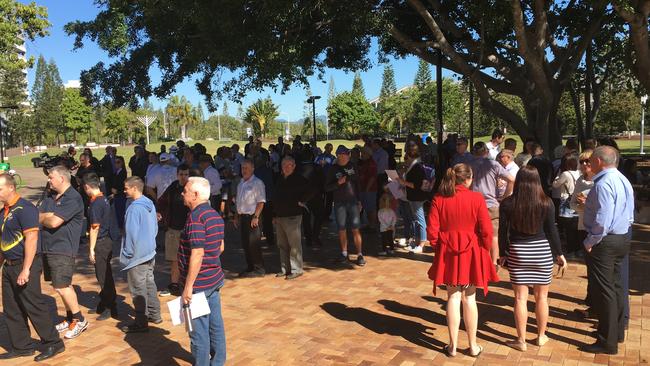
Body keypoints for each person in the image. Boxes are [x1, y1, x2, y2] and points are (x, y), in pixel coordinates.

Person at [427, 163, 498, 357]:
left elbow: (432, 230)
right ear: (467, 179)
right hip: (471, 252)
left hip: (448, 252)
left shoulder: (439, 199)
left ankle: (452, 346)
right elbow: (486, 230)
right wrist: (484, 249)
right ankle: (473, 345)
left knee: (452, 296)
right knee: (469, 298)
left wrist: (439, 247)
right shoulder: (476, 198)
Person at [498, 166, 566, 351]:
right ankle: (541, 336)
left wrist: (502, 254)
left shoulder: (508, 203)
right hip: (542, 251)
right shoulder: (547, 202)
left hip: (518, 251)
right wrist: (559, 253)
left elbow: (502, 231)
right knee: (542, 297)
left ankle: (521, 340)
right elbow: (552, 231)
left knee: (520, 298)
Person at [0, 174, 65, 362]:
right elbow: (4, 243)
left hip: (25, 263)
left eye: (0, 188)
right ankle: (22, 346)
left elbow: (32, 239)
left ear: (11, 188)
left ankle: (53, 342)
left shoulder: (25, 209)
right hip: (9, 265)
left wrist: (26, 269)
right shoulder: (3, 212)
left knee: (33, 304)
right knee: (12, 308)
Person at [581, 146, 634, 355]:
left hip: (606, 241)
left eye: (591, 160)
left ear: (599, 162)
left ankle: (607, 341)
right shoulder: (622, 179)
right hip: (622, 237)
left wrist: (591, 240)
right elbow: (628, 210)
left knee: (605, 291)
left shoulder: (603, 184)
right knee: (617, 286)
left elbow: (603, 218)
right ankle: (617, 332)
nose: (588, 164)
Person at [178, 177, 226, 365]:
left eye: (185, 190)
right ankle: (218, 362)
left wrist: (188, 287)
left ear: (196, 195)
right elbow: (220, 247)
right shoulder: (214, 214)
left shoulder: (196, 218)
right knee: (216, 326)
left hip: (198, 286)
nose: (183, 193)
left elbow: (197, 253)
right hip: (214, 279)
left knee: (198, 333)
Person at [38, 166, 88, 339]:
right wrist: (46, 215)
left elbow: (53, 222)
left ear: (62, 178)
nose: (49, 180)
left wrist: (46, 216)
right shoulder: (50, 196)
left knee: (62, 287)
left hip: (63, 249)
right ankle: (69, 318)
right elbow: (41, 214)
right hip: (48, 248)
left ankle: (79, 320)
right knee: (60, 285)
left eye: (51, 177)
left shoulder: (73, 198)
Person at [120, 176, 162, 333]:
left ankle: (141, 321)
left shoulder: (133, 208)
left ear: (135, 188)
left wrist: (128, 253)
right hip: (150, 252)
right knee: (149, 283)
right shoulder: (149, 203)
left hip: (137, 256)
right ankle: (154, 314)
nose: (124, 191)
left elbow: (131, 233)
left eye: (126, 188)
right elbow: (155, 226)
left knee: (138, 289)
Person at [469, 142, 515, 265]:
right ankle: (493, 262)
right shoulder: (494, 165)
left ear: (474, 153)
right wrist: (505, 198)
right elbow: (511, 180)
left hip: (473, 204)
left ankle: (477, 261)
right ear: (486, 152)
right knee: (494, 235)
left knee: (475, 234)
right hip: (491, 204)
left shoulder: (469, 166)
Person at [83, 174, 117, 320]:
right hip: (106, 241)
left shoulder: (97, 203)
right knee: (105, 273)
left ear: (87, 187)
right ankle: (104, 303)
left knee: (103, 276)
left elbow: (95, 228)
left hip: (101, 242)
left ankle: (110, 306)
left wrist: (91, 248)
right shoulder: (103, 199)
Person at [325, 145, 365, 266]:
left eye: (345, 155)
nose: (342, 157)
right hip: (339, 203)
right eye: (340, 155)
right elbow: (326, 187)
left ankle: (359, 254)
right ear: (337, 156)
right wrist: (338, 183)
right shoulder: (333, 169)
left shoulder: (353, 166)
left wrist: (360, 200)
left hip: (353, 202)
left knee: (355, 228)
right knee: (341, 228)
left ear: (348, 156)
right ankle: (344, 253)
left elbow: (358, 184)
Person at [156, 164, 191, 297]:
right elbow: (161, 201)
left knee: (189, 258)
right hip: (173, 228)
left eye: (186, 174)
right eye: (181, 174)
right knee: (174, 259)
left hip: (188, 229)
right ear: (177, 174)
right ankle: (174, 285)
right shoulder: (173, 187)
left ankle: (189, 284)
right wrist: (159, 212)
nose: (183, 177)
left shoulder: (192, 187)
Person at [273, 156, 309, 279]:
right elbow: (276, 196)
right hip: (280, 216)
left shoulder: (299, 179)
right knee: (282, 244)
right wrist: (274, 214)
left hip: (293, 216)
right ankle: (285, 268)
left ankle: (296, 269)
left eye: (289, 165)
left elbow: (312, 189)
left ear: (294, 166)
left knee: (294, 244)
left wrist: (302, 200)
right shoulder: (280, 178)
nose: (286, 168)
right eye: (284, 165)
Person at [571, 150, 596, 317]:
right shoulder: (580, 180)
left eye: (588, 161)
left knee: (595, 268)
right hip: (582, 226)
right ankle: (591, 299)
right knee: (589, 266)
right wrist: (579, 205)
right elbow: (572, 203)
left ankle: (594, 304)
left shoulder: (598, 182)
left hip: (595, 229)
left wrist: (588, 203)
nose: (585, 164)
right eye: (582, 162)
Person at [234, 159, 266, 277]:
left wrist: (256, 216)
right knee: (246, 244)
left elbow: (261, 202)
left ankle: (259, 269)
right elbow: (238, 201)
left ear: (252, 169)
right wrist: (236, 216)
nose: (244, 170)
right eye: (242, 168)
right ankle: (250, 267)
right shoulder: (241, 183)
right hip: (243, 217)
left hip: (253, 217)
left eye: (246, 168)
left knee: (254, 244)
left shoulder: (257, 183)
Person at [397, 143, 430, 254]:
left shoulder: (417, 167)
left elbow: (416, 184)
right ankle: (417, 242)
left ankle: (422, 243)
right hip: (413, 196)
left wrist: (403, 182)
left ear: (411, 156)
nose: (405, 159)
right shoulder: (415, 166)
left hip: (417, 197)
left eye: (406, 157)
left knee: (420, 220)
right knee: (416, 220)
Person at [552, 154, 580, 254]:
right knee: (575, 224)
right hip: (576, 200)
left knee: (568, 227)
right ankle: (577, 246)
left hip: (566, 200)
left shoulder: (565, 174)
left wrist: (557, 176)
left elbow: (555, 185)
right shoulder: (578, 172)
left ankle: (570, 247)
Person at [358, 147, 378, 230]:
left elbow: (372, 177)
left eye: (363, 153)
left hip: (369, 190)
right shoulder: (365, 162)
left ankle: (372, 225)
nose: (361, 155)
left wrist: (367, 189)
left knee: (371, 208)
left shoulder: (371, 163)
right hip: (364, 188)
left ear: (368, 154)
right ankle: (370, 224)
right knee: (367, 207)